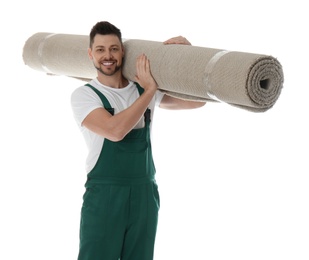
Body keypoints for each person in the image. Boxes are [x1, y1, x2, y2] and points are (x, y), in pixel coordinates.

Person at [71, 21, 205, 260]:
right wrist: (151, 91)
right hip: (105, 197)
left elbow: (197, 101)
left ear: (122, 51)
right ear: (91, 54)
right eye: (100, 49)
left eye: (113, 48)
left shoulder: (142, 88)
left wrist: (189, 55)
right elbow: (115, 131)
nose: (108, 55)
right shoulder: (85, 95)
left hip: (145, 193)